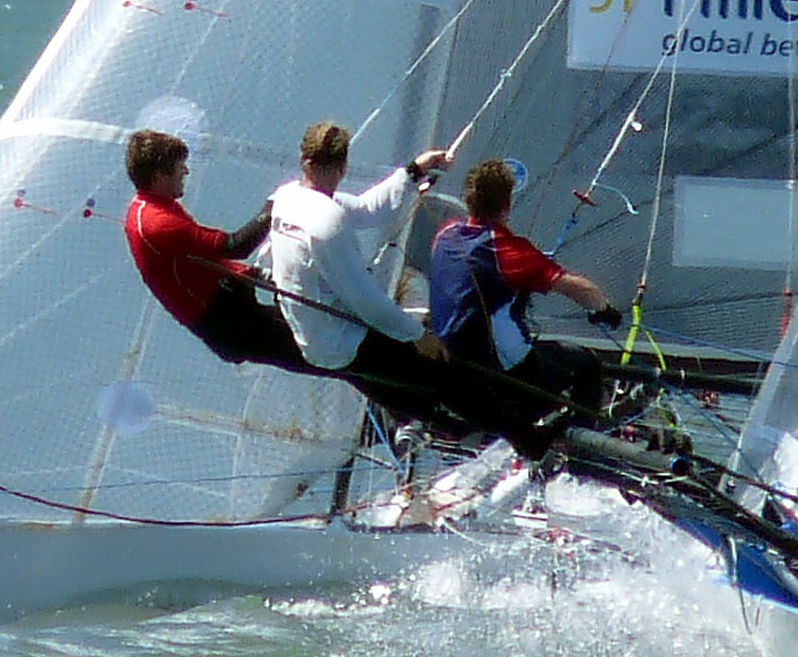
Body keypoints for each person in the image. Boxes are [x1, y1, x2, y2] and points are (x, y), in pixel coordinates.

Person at [257, 120, 477, 437]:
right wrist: (418, 335)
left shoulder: (289, 197)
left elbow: (366, 208)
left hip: (319, 337)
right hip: (340, 342)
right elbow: (365, 302)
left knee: (396, 388)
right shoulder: (326, 220)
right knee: (433, 368)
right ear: (343, 167)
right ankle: (499, 427)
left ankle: (437, 424)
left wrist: (415, 170)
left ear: (304, 160)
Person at [425, 158, 619, 452]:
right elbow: (577, 287)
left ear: (468, 200)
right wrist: (604, 310)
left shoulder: (445, 234)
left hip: (451, 369)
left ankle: (527, 435)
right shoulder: (506, 250)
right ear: (507, 205)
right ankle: (580, 455)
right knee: (587, 365)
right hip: (503, 375)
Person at [120, 128, 305, 372]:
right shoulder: (158, 223)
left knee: (329, 350)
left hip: (231, 309)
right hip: (230, 323)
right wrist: (276, 204)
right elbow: (236, 246)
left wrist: (253, 274)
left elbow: (198, 260)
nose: (186, 171)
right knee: (330, 356)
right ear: (159, 176)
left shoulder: (151, 207)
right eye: (179, 167)